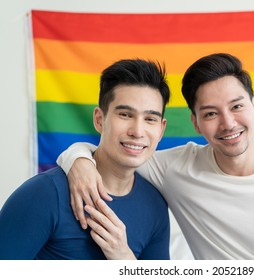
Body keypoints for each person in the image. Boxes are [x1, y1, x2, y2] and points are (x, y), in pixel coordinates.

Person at [57, 53, 254, 260]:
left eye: (237, 107)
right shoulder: (176, 167)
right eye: (211, 113)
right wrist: (79, 161)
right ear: (196, 123)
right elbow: (112, 156)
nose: (228, 123)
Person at [0, 59, 171, 260]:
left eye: (150, 119)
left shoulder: (155, 205)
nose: (137, 131)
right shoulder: (43, 194)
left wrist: (125, 259)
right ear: (99, 119)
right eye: (125, 114)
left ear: (161, 129)